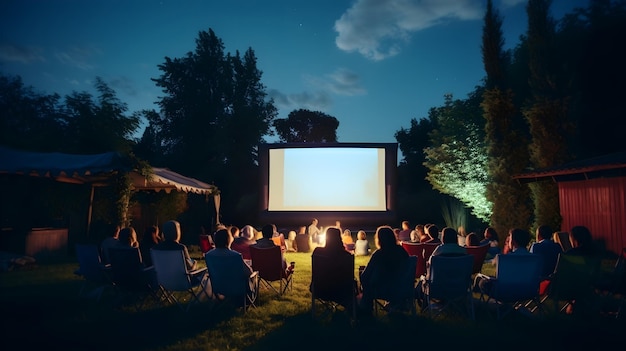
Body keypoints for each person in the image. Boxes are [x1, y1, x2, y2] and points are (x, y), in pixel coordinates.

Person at [358, 225, 410, 315]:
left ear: (379, 239)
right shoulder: (402, 251)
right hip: (402, 288)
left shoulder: (379, 254)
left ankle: (366, 310)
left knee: (365, 281)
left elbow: (365, 276)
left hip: (382, 290)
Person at [473, 228, 532, 295]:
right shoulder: (535, 258)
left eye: (510, 238)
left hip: (504, 292)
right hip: (528, 291)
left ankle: (475, 302)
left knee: (480, 280)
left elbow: (499, 278)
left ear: (513, 241)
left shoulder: (504, 258)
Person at [311, 227, 357, 311]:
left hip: (321, 289)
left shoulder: (317, 252)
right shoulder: (346, 255)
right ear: (339, 238)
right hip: (341, 291)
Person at [205, 228, 256, 298]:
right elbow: (249, 272)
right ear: (229, 240)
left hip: (219, 287)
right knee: (253, 276)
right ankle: (251, 299)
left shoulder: (209, 255)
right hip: (238, 289)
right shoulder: (235, 255)